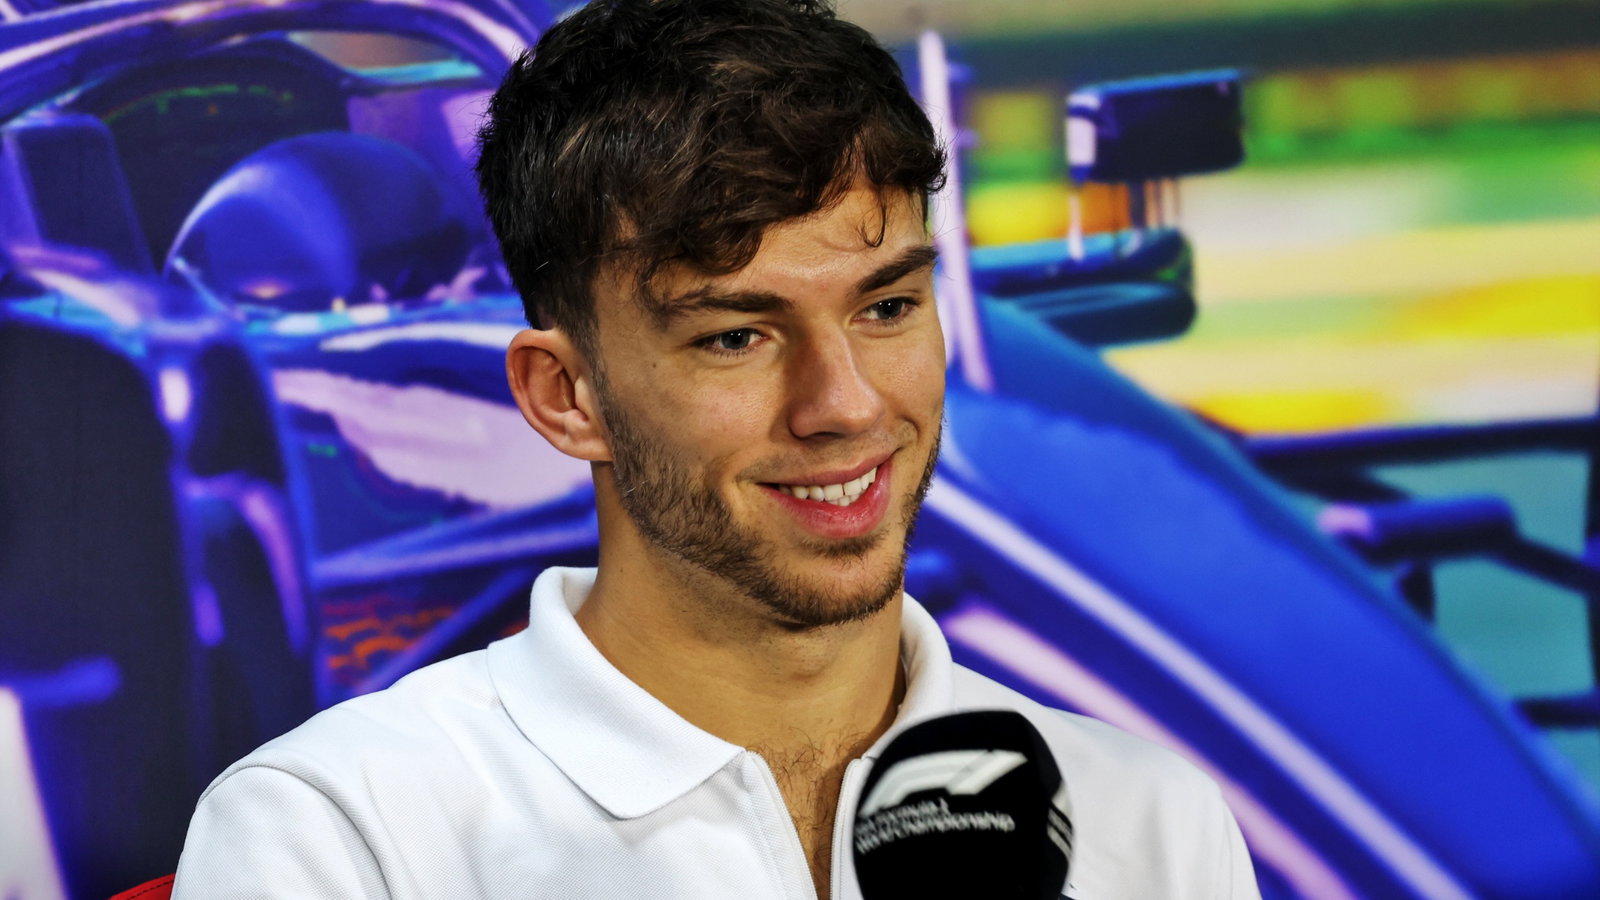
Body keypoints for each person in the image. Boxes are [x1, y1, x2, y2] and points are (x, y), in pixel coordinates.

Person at [173, 1, 1260, 897]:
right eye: (737, 336)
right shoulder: (339, 836)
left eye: (886, 307)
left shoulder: (1150, 824)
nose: (844, 404)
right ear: (565, 396)